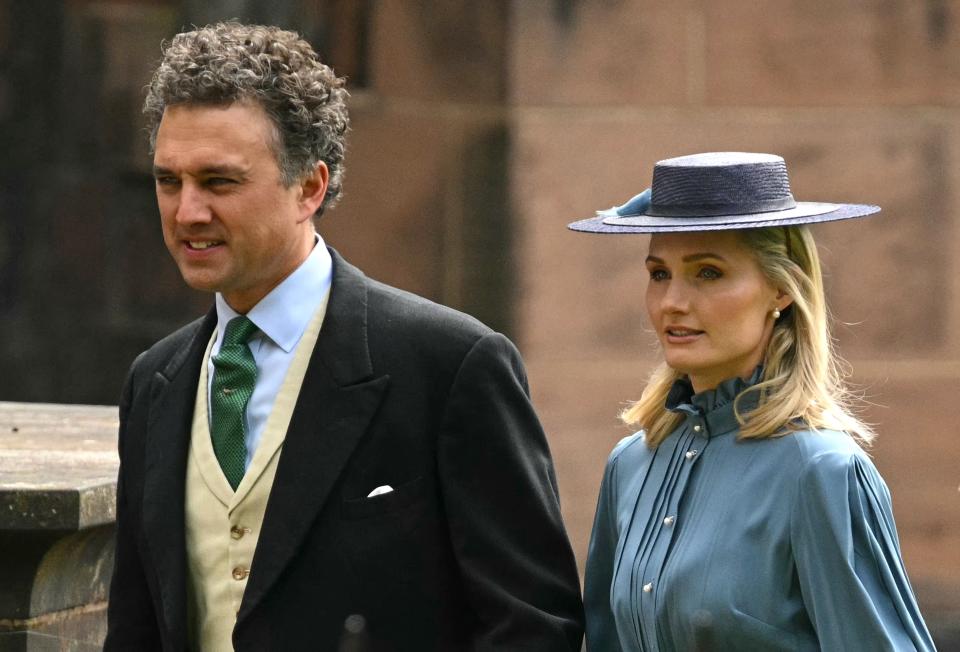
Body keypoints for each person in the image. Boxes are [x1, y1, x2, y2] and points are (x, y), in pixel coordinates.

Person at [104, 22, 584, 652]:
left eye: (219, 182)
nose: (187, 212)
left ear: (310, 186)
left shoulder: (449, 364)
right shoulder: (156, 381)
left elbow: (535, 627)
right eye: (170, 181)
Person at [569, 152, 936, 651]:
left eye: (708, 273)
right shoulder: (631, 464)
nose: (673, 301)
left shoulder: (821, 471)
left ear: (782, 289)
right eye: (659, 274)